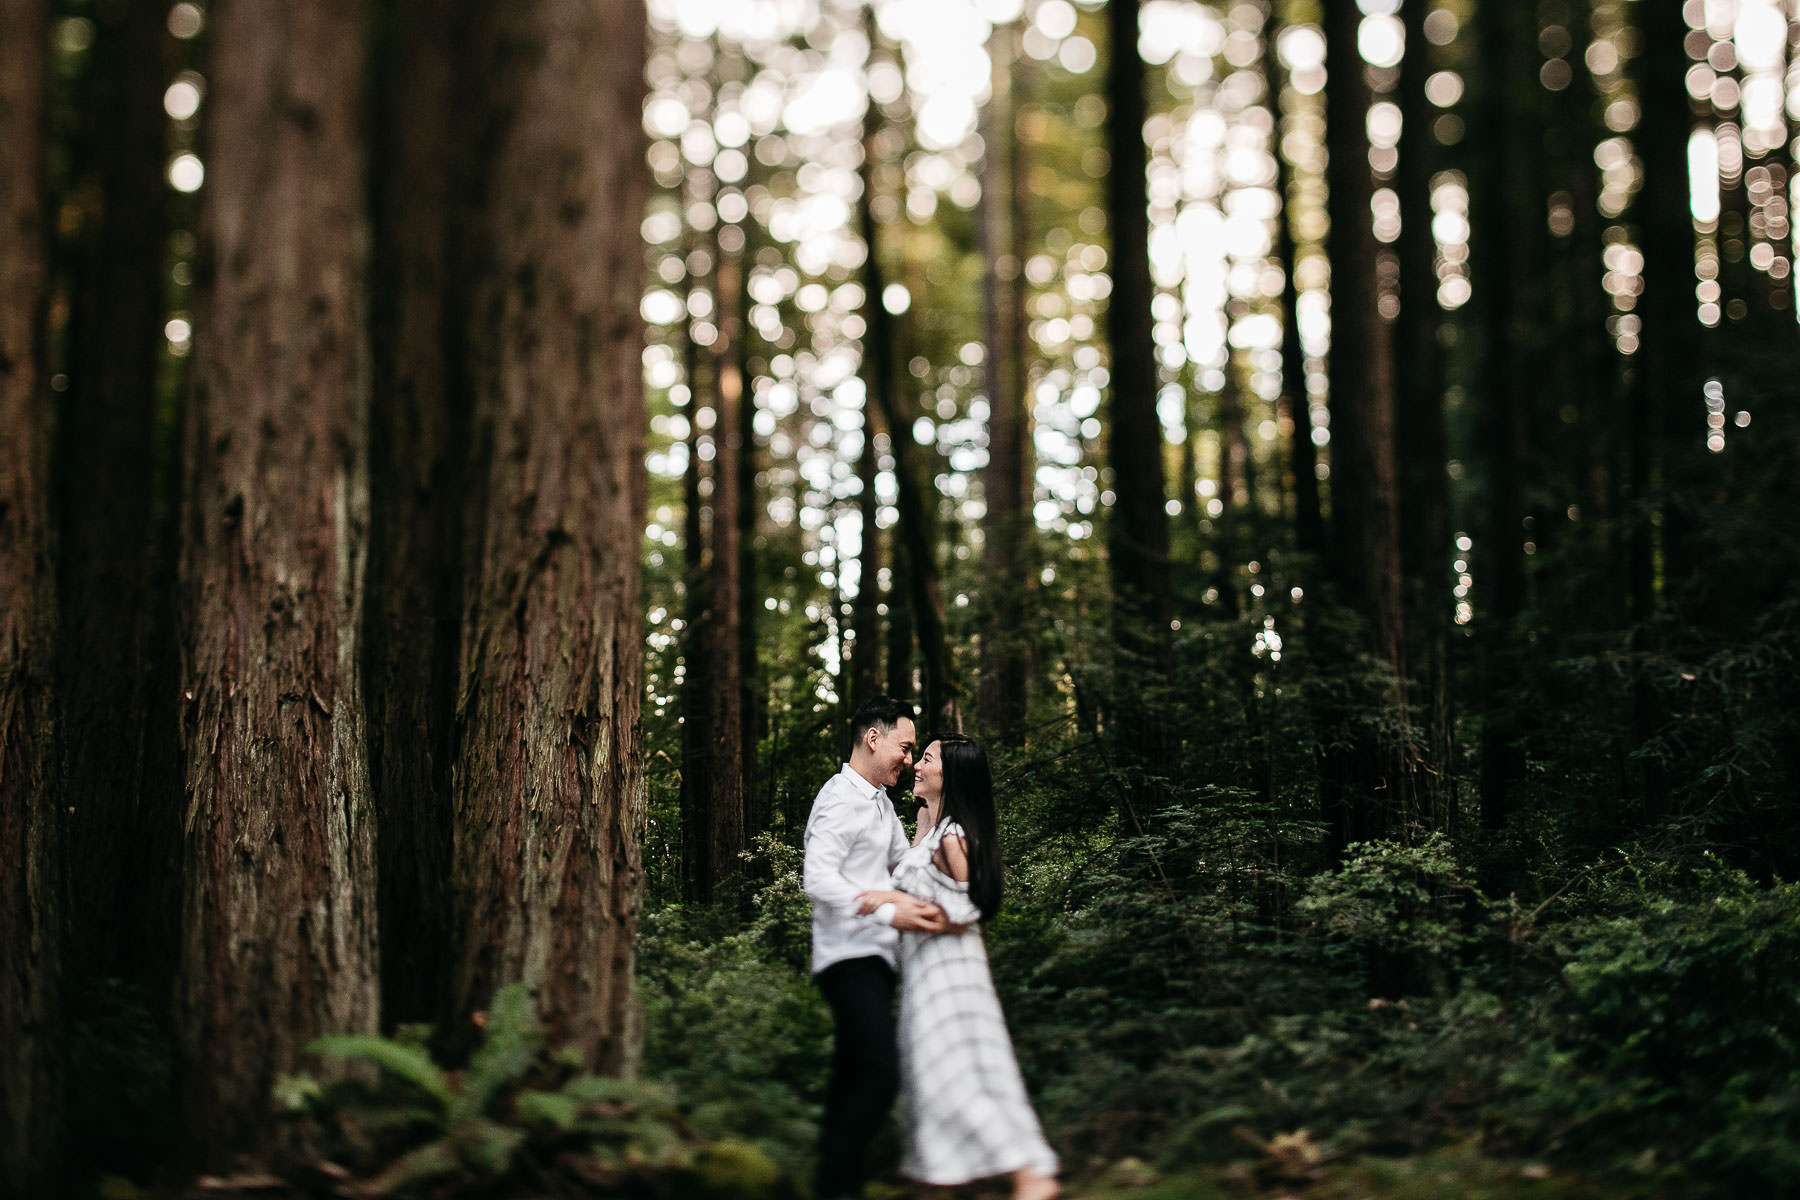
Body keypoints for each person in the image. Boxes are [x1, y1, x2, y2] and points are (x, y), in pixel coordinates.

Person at [854, 733, 1060, 1200]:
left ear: (952, 775)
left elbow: (974, 904)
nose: (916, 765)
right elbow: (913, 871)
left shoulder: (954, 837)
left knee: (957, 1069)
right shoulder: (934, 830)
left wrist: (899, 904)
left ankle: (1029, 1171)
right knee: (938, 1071)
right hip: (925, 972)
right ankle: (976, 1170)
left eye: (926, 759)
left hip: (952, 973)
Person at [803, 697, 950, 1200]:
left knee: (850, 1081)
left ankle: (832, 1185)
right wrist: (888, 909)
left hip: (877, 959)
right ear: (873, 738)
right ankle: (840, 1188)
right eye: (905, 748)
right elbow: (817, 879)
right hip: (848, 958)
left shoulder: (879, 802)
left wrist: (931, 814)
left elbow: (901, 865)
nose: (908, 759)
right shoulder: (840, 799)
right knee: (879, 1076)